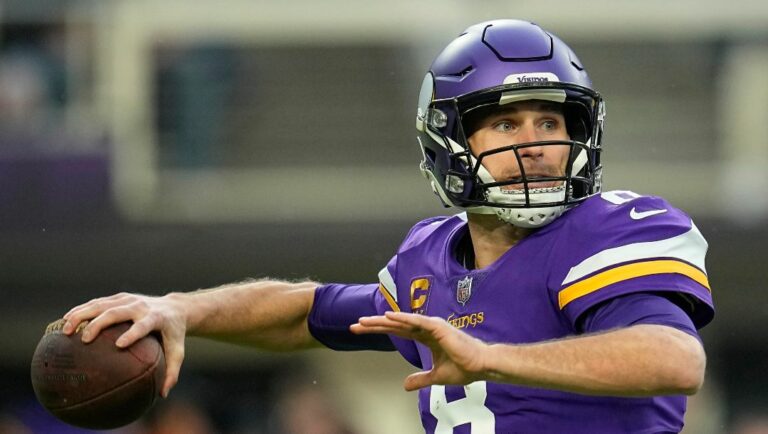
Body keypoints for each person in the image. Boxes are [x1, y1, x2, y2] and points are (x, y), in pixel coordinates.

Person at [62, 19, 714, 433]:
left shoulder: (609, 232)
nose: (537, 142)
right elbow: (305, 312)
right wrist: (179, 310)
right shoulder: (428, 260)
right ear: (449, 142)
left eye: (551, 122)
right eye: (507, 123)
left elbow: (672, 357)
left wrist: (489, 358)